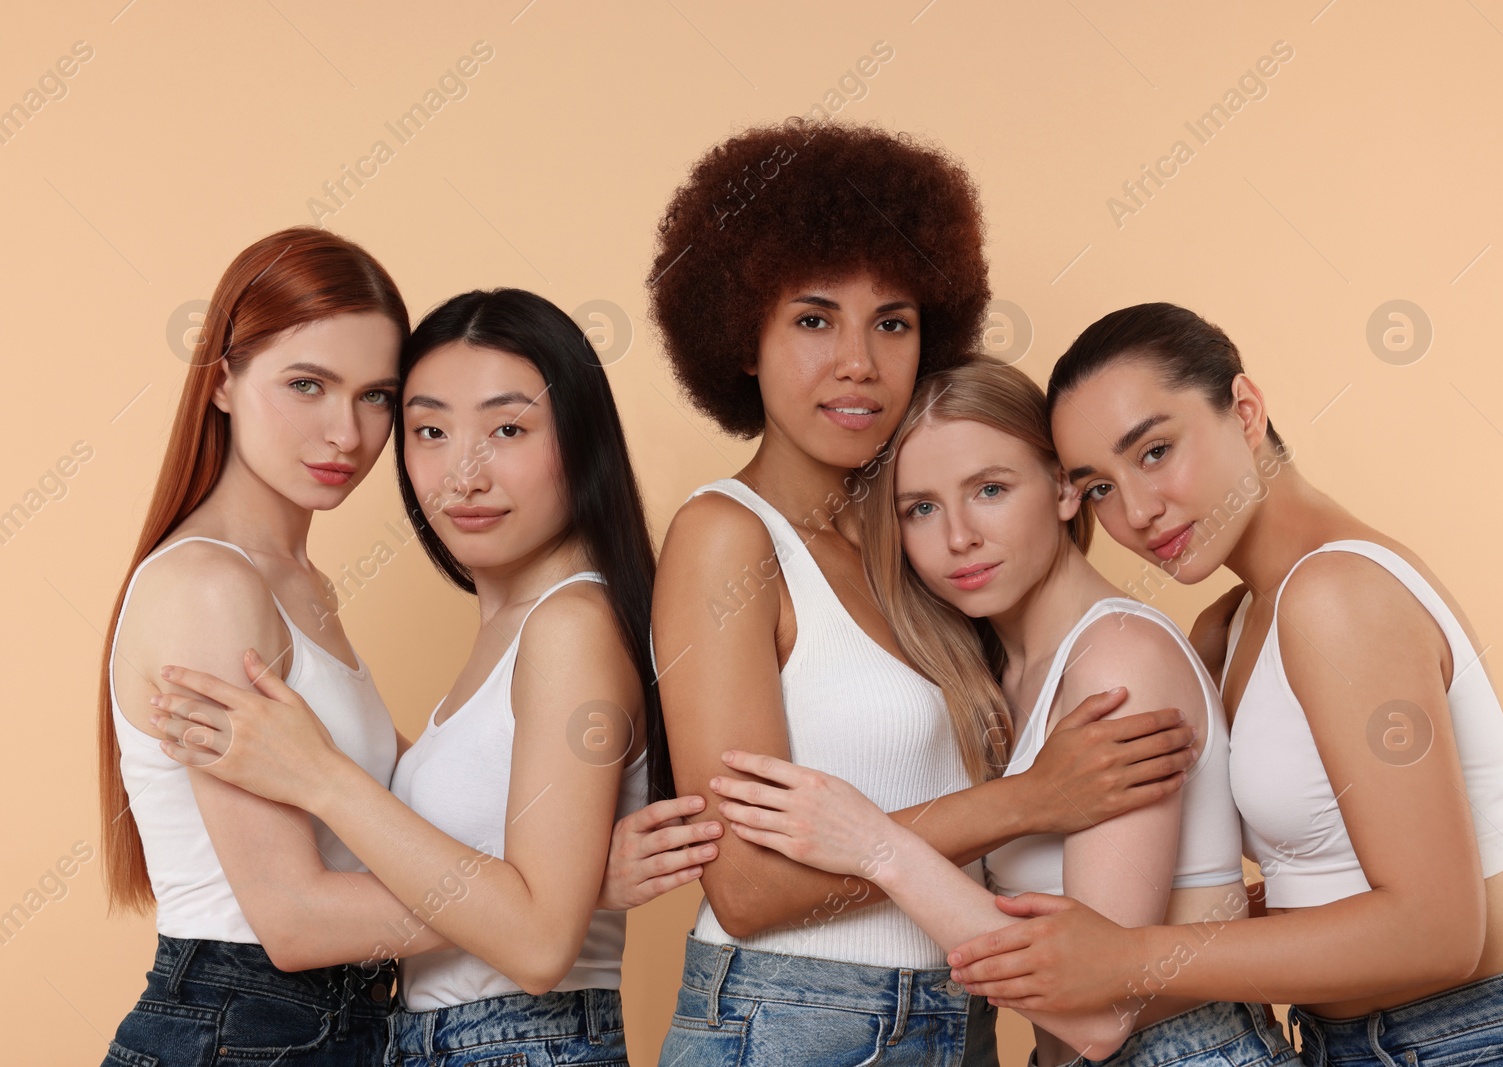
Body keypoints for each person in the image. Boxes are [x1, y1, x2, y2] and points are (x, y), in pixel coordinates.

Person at [646, 121, 1200, 1066]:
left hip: (962, 1007)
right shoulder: (725, 539)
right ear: (742, 337)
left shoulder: (928, 546)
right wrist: (1030, 799)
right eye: (814, 319)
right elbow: (746, 890)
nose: (858, 361)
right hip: (790, 1019)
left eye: (892, 322)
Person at [942, 303, 1503, 1067]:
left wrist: (1126, 957)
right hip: (1350, 1043)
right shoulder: (1234, 624)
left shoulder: (1337, 592)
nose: (1138, 512)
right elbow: (1339, 874)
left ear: (1246, 411)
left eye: (1155, 450)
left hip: (1481, 1041)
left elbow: (1440, 931)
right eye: (1098, 489)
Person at [109, 254, 703, 1067]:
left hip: (361, 1024)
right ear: (219, 381)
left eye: (373, 398)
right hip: (246, 1021)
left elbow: (403, 840)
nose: (345, 433)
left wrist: (548, 904)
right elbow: (291, 916)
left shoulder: (314, 587)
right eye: (306, 384)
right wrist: (561, 897)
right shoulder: (211, 585)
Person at [710, 359, 1297, 1067]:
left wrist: (879, 846)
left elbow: (1100, 1012)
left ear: (1061, 488)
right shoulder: (998, 672)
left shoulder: (1116, 663)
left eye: (989, 489)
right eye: (920, 507)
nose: (958, 536)